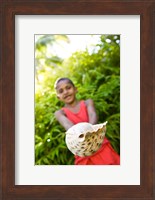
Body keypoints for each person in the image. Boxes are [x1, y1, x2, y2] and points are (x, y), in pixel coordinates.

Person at [54, 77, 120, 165]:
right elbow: (69, 127)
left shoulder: (87, 103)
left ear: (75, 89)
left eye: (68, 88)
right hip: (82, 152)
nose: (65, 92)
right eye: (61, 91)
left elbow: (93, 115)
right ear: (58, 97)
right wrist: (81, 134)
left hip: (99, 145)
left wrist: (89, 131)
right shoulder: (60, 113)